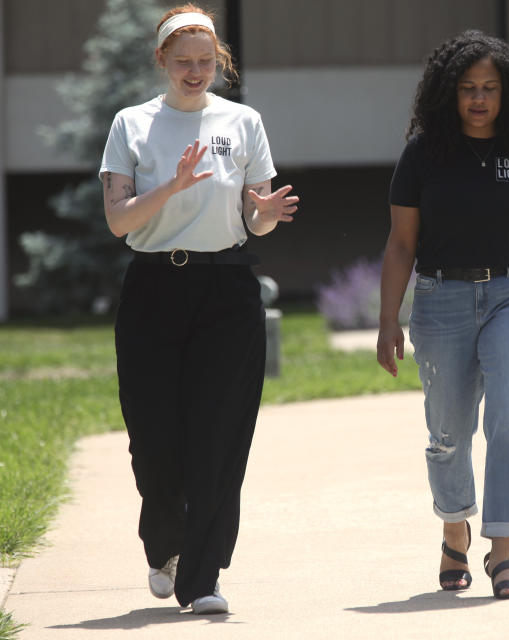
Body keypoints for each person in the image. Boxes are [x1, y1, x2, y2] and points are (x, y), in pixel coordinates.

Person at [99, 4, 298, 614]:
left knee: (218, 436)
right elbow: (118, 220)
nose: (195, 72)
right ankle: (164, 546)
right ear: (162, 61)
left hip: (226, 293)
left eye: (205, 62)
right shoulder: (132, 124)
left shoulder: (243, 121)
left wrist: (265, 214)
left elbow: (253, 218)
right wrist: (172, 188)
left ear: (219, 62)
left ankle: (205, 576)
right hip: (154, 291)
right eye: (183, 62)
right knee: (154, 441)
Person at [377, 30, 509, 599]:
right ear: (449, 93)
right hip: (442, 300)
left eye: (490, 89)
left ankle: (502, 555)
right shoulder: (423, 154)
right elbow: (401, 244)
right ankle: (454, 529)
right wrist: (388, 319)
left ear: (507, 93)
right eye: (468, 88)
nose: (478, 99)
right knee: (448, 433)